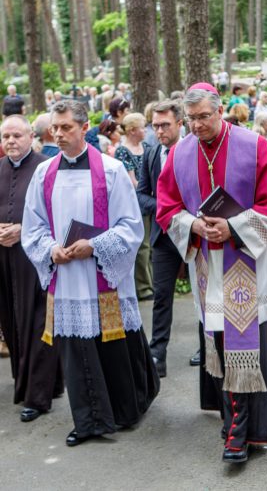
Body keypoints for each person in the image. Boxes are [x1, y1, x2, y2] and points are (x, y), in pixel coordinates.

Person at [156, 83, 267, 463]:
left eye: (204, 117)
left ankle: (244, 432)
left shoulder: (254, 146)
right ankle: (236, 422)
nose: (197, 126)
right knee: (218, 343)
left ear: (220, 112)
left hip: (245, 261)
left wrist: (233, 227)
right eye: (192, 119)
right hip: (205, 264)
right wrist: (194, 226)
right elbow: (166, 207)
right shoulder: (179, 153)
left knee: (246, 347)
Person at [21, 100, 159, 446]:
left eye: (66, 127)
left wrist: (95, 246)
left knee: (112, 343)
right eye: (55, 127)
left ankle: (125, 410)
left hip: (101, 274)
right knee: (76, 350)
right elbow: (33, 226)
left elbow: (130, 227)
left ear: (85, 128)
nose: (59, 134)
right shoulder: (44, 173)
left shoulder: (110, 170)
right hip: (66, 277)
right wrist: (51, 248)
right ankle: (90, 420)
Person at [0, 115, 63, 422]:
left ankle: (37, 397)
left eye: (16, 135)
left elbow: (58, 214)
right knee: (11, 321)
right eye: (5, 136)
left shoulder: (45, 168)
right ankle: (39, 382)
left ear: (31, 137)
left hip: (35, 258)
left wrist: (22, 229)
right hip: (3, 259)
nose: (10, 141)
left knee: (38, 323)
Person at [136, 100, 184, 377]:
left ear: (179, 123)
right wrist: (163, 209)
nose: (159, 131)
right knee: (161, 296)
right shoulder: (152, 154)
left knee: (203, 295)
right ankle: (158, 353)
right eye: (155, 126)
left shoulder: (194, 151)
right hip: (163, 236)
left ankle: (206, 348)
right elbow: (141, 194)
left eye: (165, 125)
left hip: (194, 234)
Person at [115, 113, 154, 301]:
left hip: (151, 200)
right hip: (136, 203)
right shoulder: (123, 151)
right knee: (143, 246)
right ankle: (143, 287)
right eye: (142, 127)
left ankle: (152, 282)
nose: (145, 130)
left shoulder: (147, 147)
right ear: (131, 131)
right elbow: (132, 182)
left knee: (152, 244)